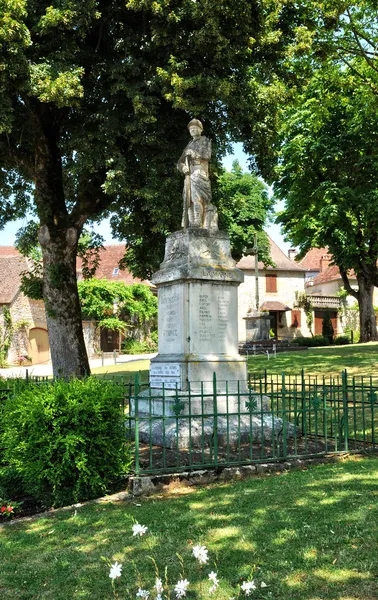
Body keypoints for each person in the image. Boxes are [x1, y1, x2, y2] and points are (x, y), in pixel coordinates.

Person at [177, 119, 218, 231]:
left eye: (195, 128)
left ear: (200, 129)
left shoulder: (204, 141)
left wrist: (194, 154)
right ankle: (191, 223)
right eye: (191, 129)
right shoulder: (188, 145)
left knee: (197, 198)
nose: (193, 130)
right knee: (188, 200)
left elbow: (207, 155)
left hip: (199, 172)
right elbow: (179, 162)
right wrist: (183, 167)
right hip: (189, 174)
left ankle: (198, 222)